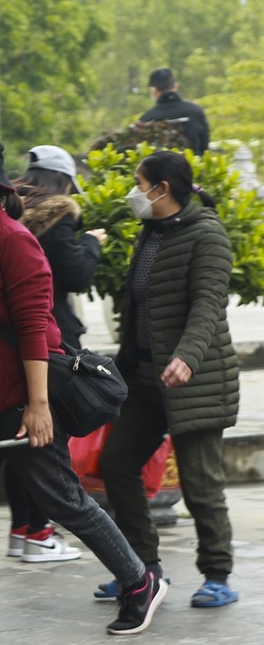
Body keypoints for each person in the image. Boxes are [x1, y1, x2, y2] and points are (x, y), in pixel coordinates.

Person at [0, 136, 165, 645]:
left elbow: (34, 328)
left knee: (64, 501)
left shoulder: (15, 242)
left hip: (24, 398)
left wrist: (39, 406)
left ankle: (140, 581)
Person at [96, 150, 239, 608]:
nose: (134, 192)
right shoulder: (149, 233)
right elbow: (138, 306)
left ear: (162, 189)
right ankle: (142, 571)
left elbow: (208, 304)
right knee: (118, 465)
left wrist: (187, 358)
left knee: (201, 485)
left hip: (194, 379)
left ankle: (217, 574)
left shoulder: (208, 234)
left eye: (139, 183)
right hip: (144, 379)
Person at [3, 145, 106, 563]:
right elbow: (77, 275)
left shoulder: (7, 213)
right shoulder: (60, 216)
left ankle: (21, 529)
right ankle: (41, 534)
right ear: (63, 182)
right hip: (50, 339)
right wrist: (92, 243)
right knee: (48, 437)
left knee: (19, 436)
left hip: (9, 338)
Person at [139, 68, 209, 155]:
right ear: (176, 86)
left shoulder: (147, 118)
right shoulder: (196, 112)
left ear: (153, 90)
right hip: (192, 166)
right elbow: (205, 149)